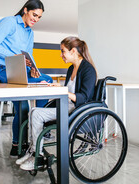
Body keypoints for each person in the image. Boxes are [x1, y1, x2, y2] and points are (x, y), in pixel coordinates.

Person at [15, 36, 97, 170]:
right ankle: (32, 151)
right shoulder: (71, 69)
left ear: (73, 51)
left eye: (63, 51)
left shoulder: (88, 70)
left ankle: (38, 156)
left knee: (36, 114)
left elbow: (84, 97)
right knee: (33, 111)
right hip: (67, 106)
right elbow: (67, 91)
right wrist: (52, 86)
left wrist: (60, 90)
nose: (61, 55)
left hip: (77, 109)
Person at [0, 0, 53, 157]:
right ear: (25, 10)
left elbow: (28, 55)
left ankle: (38, 121)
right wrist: (13, 56)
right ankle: (18, 144)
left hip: (19, 69)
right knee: (23, 107)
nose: (35, 19)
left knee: (47, 79)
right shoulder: (9, 22)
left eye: (38, 17)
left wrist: (34, 69)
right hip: (0, 68)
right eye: (34, 15)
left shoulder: (30, 32)